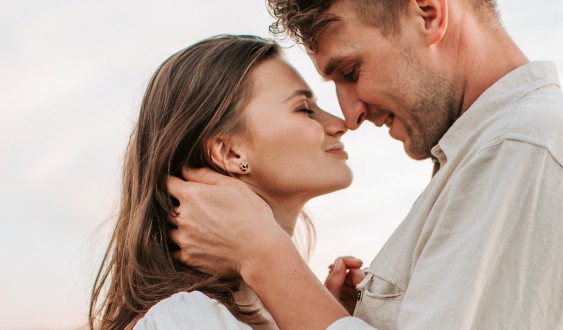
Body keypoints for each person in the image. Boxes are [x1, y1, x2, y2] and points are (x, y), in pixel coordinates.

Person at [167, 0, 563, 329]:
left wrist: (263, 255)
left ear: (429, 14)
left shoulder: (524, 149)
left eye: (350, 72)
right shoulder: (505, 150)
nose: (349, 114)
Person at [89, 34, 364, 330]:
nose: (340, 124)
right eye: (304, 108)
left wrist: (320, 315)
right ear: (229, 152)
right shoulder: (186, 319)